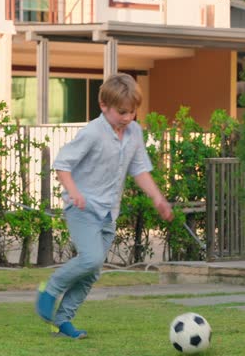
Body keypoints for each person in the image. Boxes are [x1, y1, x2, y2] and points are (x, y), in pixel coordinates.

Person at [34, 73, 174, 339]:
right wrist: (74, 192)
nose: (128, 118)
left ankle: (63, 322)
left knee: (91, 273)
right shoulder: (92, 132)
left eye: (132, 112)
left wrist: (158, 199)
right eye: (122, 112)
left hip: (109, 213)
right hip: (83, 209)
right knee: (91, 258)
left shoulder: (134, 133)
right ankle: (50, 289)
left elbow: (140, 169)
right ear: (103, 105)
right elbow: (63, 164)